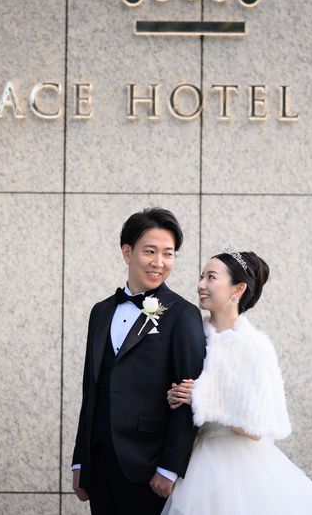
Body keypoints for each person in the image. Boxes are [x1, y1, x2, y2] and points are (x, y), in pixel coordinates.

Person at [162, 248, 312, 515]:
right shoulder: (192, 334)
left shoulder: (253, 347)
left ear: (237, 289)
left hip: (236, 465)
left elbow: (256, 427)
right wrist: (176, 396)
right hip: (192, 460)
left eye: (211, 277)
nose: (201, 284)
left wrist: (202, 399)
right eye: (201, 276)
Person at [72, 207, 207, 515]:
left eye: (168, 254)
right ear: (127, 252)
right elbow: (90, 390)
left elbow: (190, 394)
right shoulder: (100, 311)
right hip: (99, 463)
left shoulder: (182, 314)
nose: (159, 262)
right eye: (150, 251)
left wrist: (170, 467)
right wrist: (80, 460)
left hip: (149, 467)